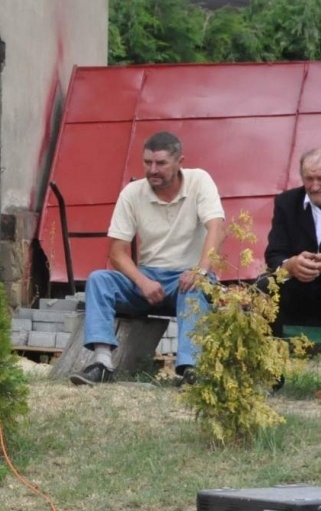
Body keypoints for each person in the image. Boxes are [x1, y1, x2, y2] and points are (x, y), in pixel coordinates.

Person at [72, 132, 224, 386]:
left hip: (187, 276)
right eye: (147, 162)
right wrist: (141, 281)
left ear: (179, 162)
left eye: (161, 163)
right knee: (98, 279)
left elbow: (217, 229)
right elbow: (117, 252)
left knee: (196, 286)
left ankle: (191, 371)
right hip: (147, 277)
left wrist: (199, 270)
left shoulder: (199, 181)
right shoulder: (132, 193)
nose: (153, 170)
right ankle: (102, 363)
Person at [264, 148, 321, 335]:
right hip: (299, 289)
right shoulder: (286, 203)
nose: (314, 186)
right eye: (309, 179)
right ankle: (273, 347)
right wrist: (291, 265)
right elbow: (274, 254)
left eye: (320, 179)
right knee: (263, 286)